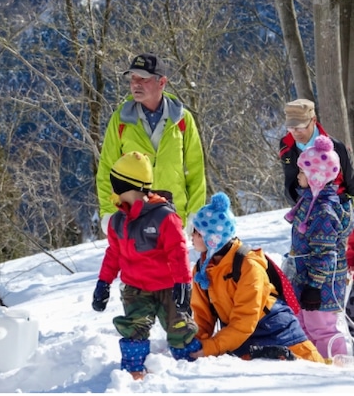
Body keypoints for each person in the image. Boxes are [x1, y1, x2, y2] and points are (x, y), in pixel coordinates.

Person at [91, 151, 201, 380]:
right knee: (133, 327)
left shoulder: (164, 217)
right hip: (136, 289)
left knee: (179, 328)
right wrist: (103, 283)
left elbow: (178, 252)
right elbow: (113, 254)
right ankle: (133, 371)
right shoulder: (117, 221)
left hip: (168, 287)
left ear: (125, 185)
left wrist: (183, 283)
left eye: (115, 183)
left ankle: (190, 369)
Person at [188, 192, 324, 363]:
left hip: (278, 332)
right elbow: (202, 317)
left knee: (316, 369)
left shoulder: (248, 266)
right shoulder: (202, 269)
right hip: (241, 338)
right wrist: (194, 344)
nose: (191, 237)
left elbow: (244, 320)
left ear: (212, 238)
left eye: (197, 232)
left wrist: (210, 348)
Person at [96, 53, 206, 229]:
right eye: (133, 78)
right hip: (133, 221)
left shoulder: (182, 119)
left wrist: (195, 213)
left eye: (143, 78)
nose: (136, 84)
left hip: (174, 219)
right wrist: (110, 214)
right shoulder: (121, 120)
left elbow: (196, 171)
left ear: (162, 82)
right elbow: (106, 170)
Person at [283, 136, 354, 359]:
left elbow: (324, 253)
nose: (298, 176)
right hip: (305, 277)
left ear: (316, 176)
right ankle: (311, 367)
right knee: (303, 324)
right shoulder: (309, 201)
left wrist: (314, 286)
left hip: (321, 283)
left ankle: (336, 366)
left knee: (321, 327)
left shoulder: (324, 210)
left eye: (302, 172)